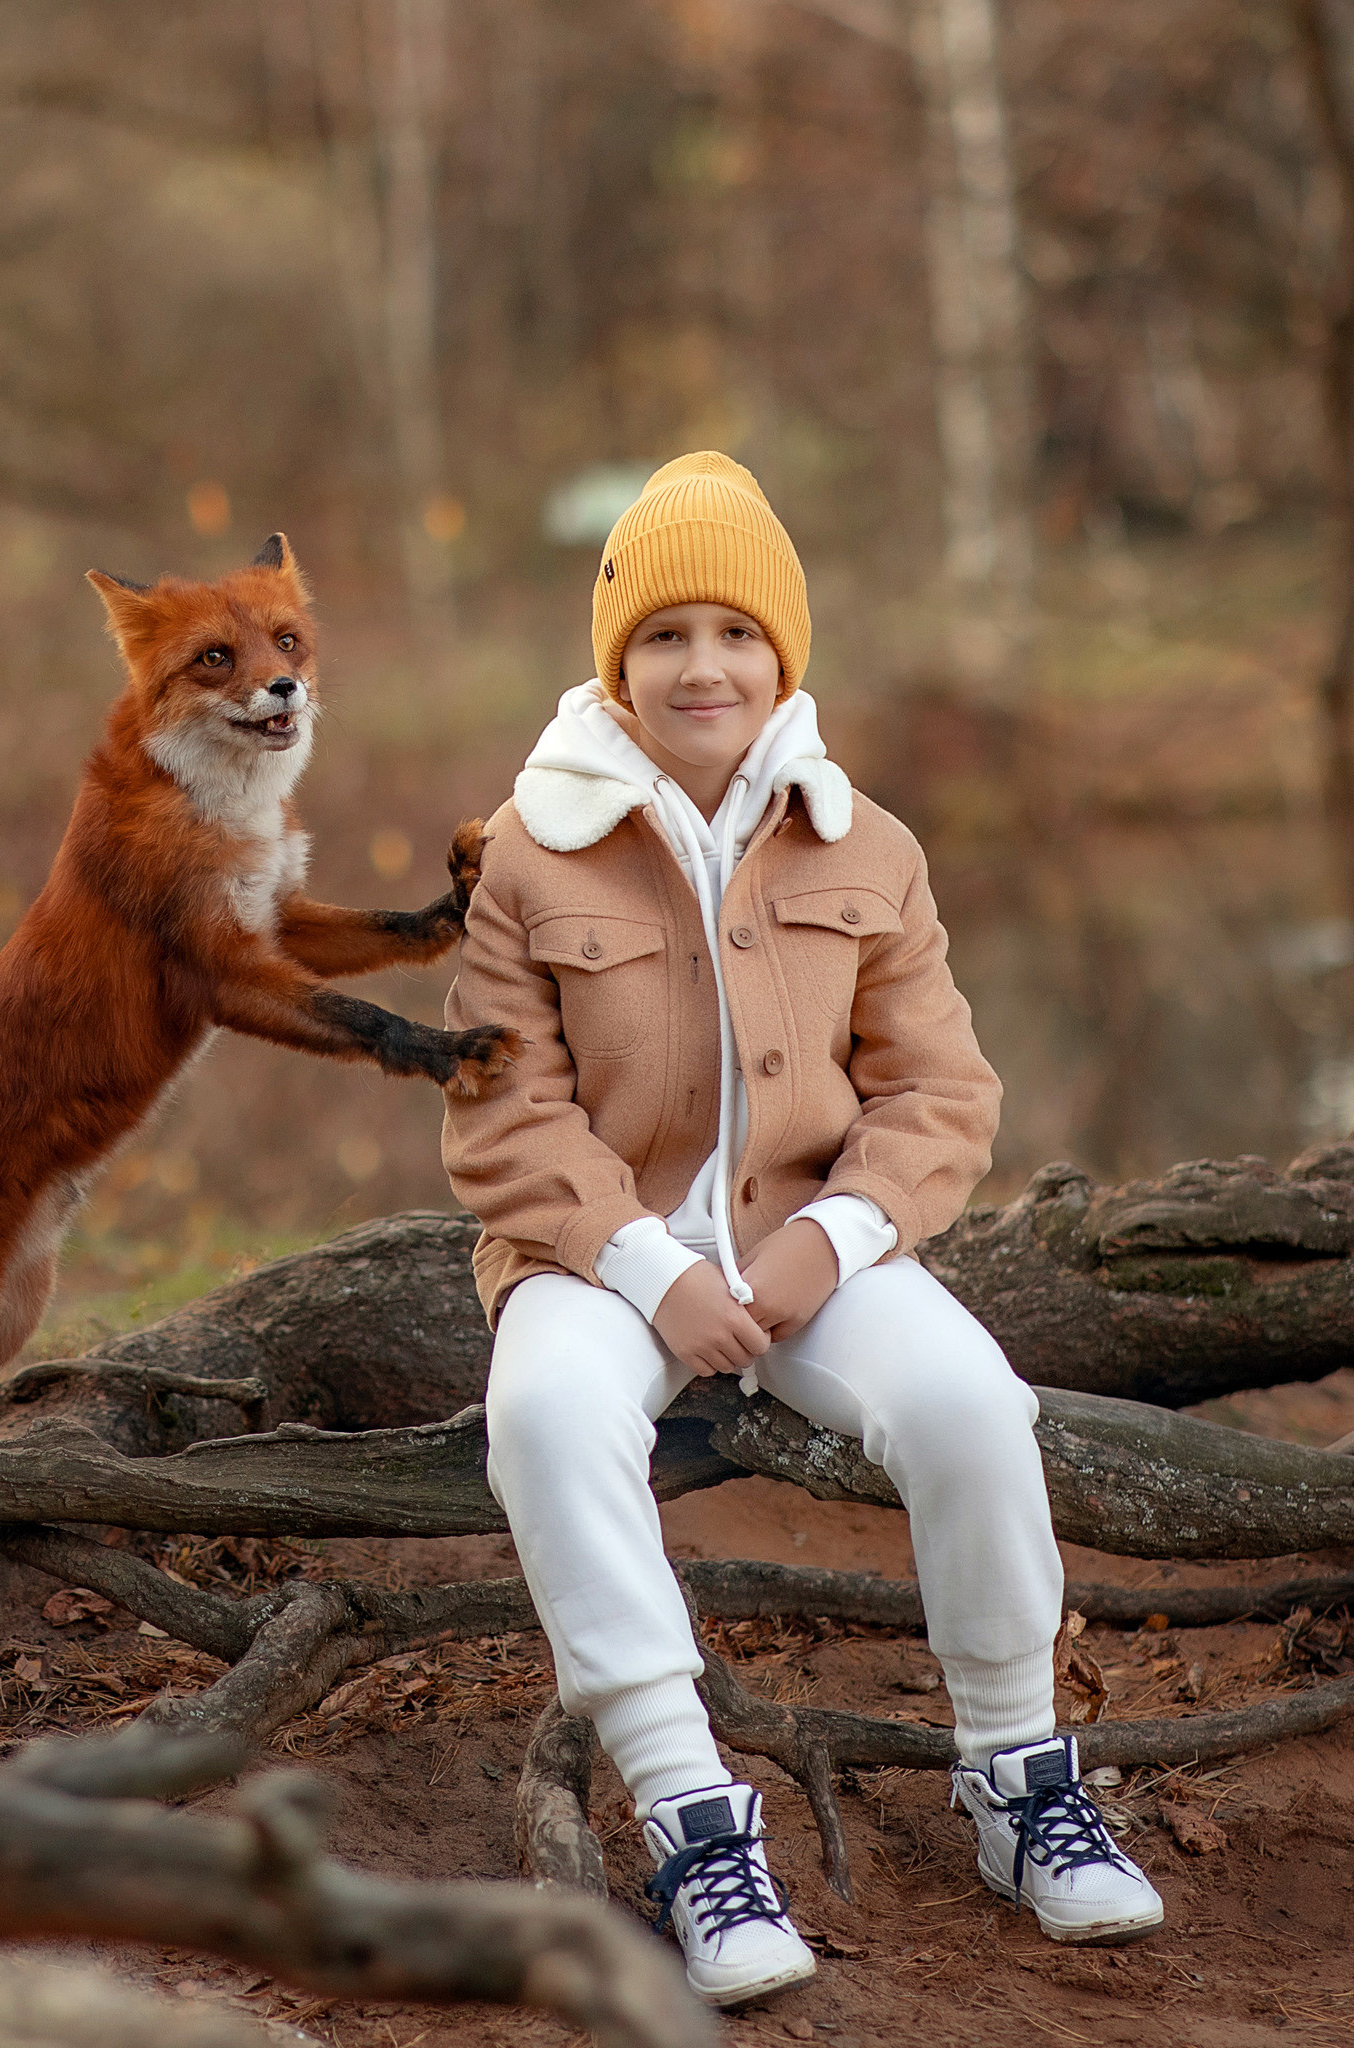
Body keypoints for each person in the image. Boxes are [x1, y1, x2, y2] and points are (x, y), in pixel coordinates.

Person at [441, 453, 1163, 2009]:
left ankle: (1017, 1779)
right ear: (614, 662)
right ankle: (694, 1820)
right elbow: (502, 1116)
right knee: (547, 1417)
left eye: (735, 634)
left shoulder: (866, 845)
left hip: (818, 1245)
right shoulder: (521, 850)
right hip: (595, 1255)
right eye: (663, 635)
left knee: (974, 1403)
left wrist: (826, 1246)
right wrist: (650, 1269)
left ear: (784, 656)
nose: (701, 666)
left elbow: (939, 1093)